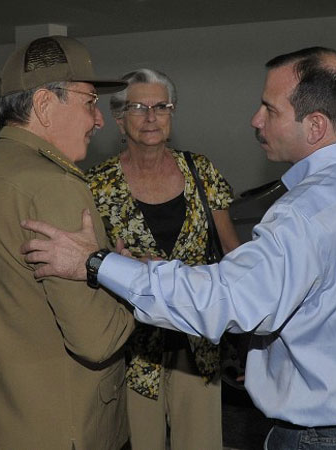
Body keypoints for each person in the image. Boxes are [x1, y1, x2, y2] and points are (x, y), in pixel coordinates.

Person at [21, 47, 336, 449]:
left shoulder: (305, 214)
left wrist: (97, 262)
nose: (256, 120)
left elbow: (223, 297)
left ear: (315, 125)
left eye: (270, 109)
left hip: (326, 436)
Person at [0, 36, 135, 450]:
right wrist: (122, 280)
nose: (100, 119)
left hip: (4, 421)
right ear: (45, 107)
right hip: (66, 427)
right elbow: (96, 339)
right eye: (90, 102)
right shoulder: (54, 186)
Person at [83, 68, 240, 450]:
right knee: (141, 443)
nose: (151, 117)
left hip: (198, 341)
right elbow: (88, 261)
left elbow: (233, 255)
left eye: (161, 106)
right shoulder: (96, 184)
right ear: (119, 119)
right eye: (138, 107)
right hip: (132, 348)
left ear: (172, 114)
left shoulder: (201, 171)